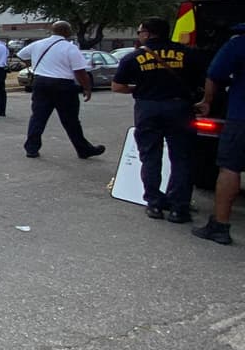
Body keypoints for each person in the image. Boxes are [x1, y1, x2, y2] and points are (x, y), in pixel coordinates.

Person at [112, 18, 201, 222]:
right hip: (180, 108)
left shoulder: (134, 57)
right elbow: (203, 79)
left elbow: (117, 86)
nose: (139, 35)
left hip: (148, 109)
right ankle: (179, 208)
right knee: (182, 158)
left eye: (139, 32)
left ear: (148, 33)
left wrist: (140, 88)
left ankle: (154, 203)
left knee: (150, 156)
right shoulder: (188, 54)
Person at [17, 21, 106, 160]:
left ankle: (31, 148)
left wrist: (34, 64)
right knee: (71, 120)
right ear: (66, 31)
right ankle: (83, 150)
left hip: (41, 83)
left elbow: (21, 55)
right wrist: (87, 88)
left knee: (38, 117)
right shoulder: (70, 48)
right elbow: (80, 71)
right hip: (63, 85)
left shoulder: (38, 44)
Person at [192, 24, 245, 245]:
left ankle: (220, 226)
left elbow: (214, 74)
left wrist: (207, 101)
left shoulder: (239, 43)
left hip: (241, 117)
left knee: (230, 168)